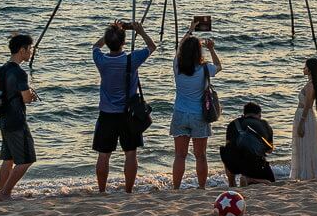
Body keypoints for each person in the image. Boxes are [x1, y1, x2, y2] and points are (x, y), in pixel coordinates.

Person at [92, 20, 156, 192]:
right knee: (130, 152)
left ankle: (102, 190)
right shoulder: (132, 59)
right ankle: (128, 190)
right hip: (128, 113)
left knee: (104, 154)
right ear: (123, 42)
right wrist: (139, 31)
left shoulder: (102, 60)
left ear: (108, 42)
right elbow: (151, 46)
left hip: (107, 114)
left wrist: (109, 35)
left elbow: (95, 47)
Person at [170, 28, 222, 189]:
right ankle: (201, 187)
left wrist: (190, 30)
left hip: (180, 113)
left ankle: (176, 187)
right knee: (200, 156)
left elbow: (179, 48)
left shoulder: (177, 66)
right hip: (199, 115)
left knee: (180, 155)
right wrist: (212, 49)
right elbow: (219, 66)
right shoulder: (205, 69)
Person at [0, 33, 38, 200]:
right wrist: (31, 96)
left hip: (4, 119)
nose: (31, 52)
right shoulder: (20, 73)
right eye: (30, 49)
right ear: (22, 50)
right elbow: (26, 98)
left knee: (8, 158)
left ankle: (4, 193)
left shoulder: (3, 68)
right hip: (16, 120)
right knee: (27, 160)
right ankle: (4, 193)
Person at [291, 57, 317, 180]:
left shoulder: (310, 86)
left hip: (305, 116)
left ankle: (308, 174)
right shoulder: (310, 84)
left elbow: (308, 105)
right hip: (304, 116)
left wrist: (301, 122)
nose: (303, 69)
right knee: (305, 144)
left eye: (305, 67)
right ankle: (307, 172)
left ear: (310, 70)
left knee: (306, 144)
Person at [220, 102, 276, 186]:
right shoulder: (265, 124)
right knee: (270, 182)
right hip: (256, 163)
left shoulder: (233, 123)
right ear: (259, 114)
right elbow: (269, 150)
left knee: (227, 152)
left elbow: (228, 144)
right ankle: (250, 179)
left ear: (244, 113)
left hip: (234, 163)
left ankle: (232, 183)